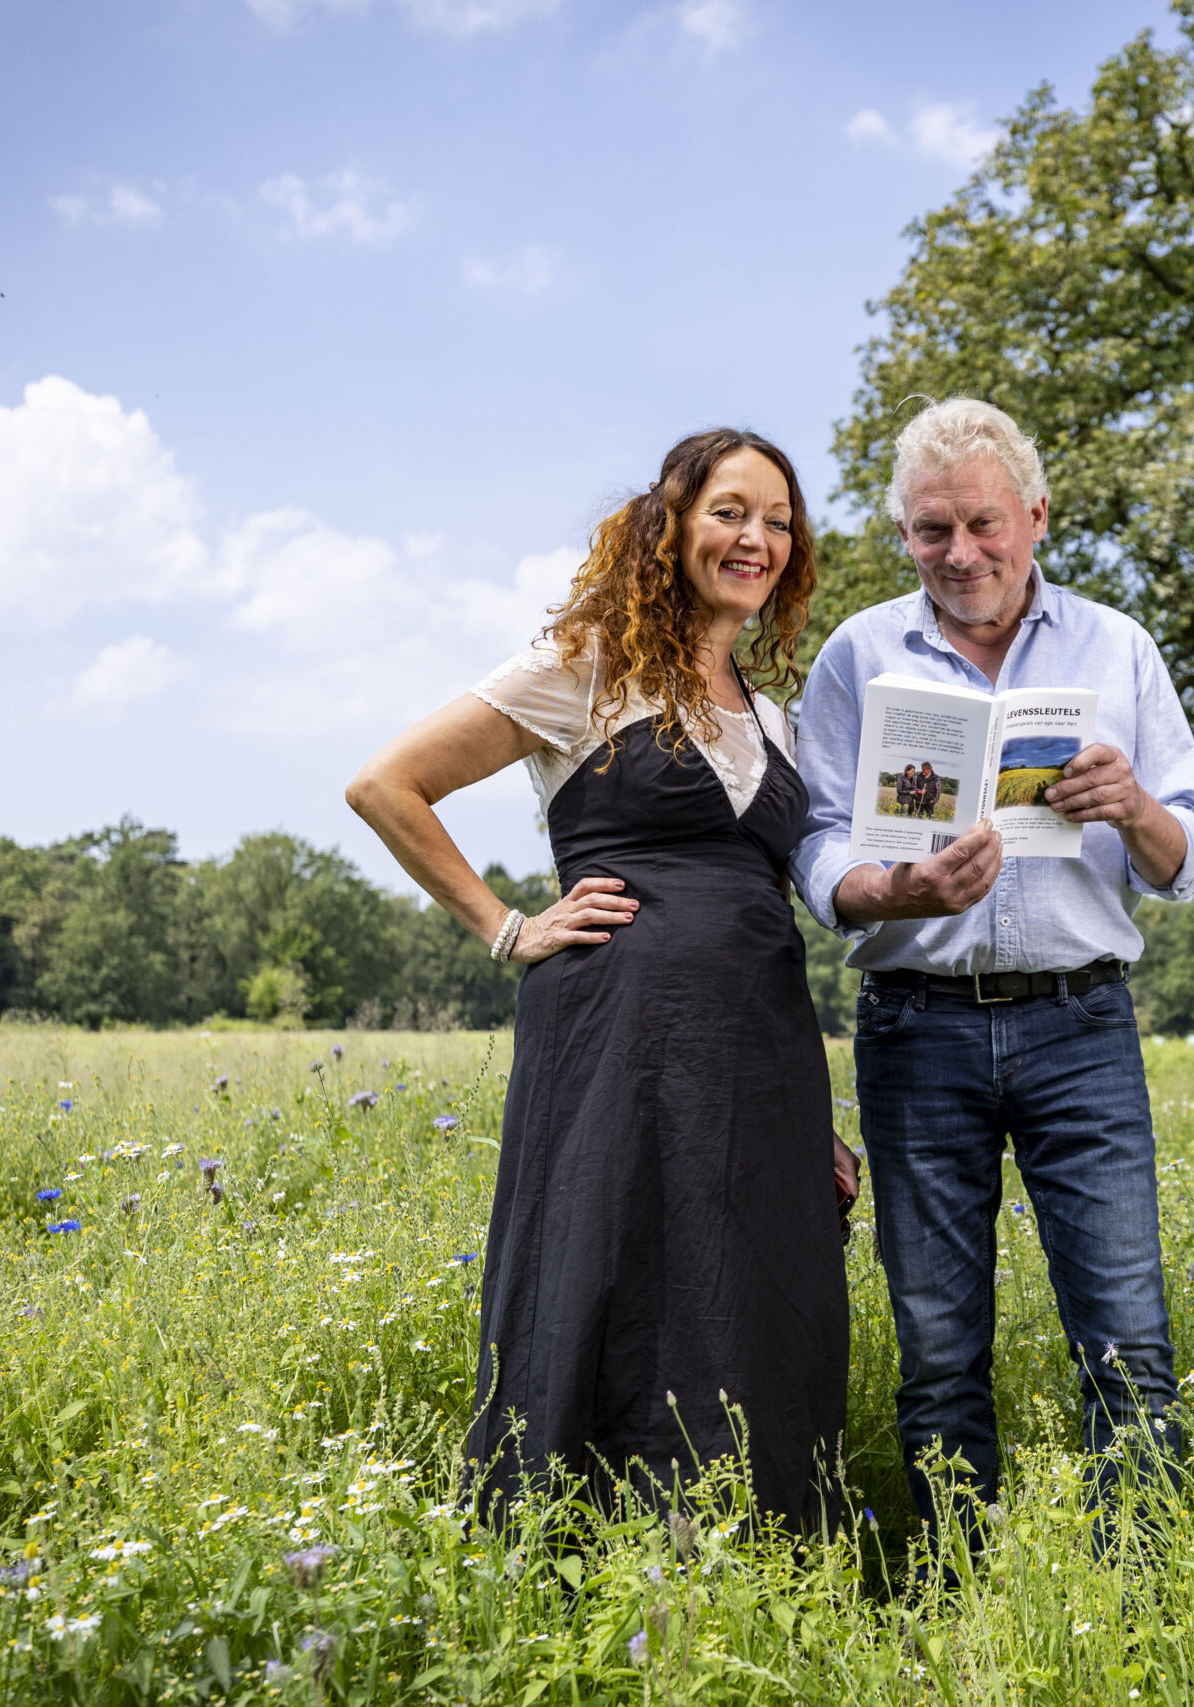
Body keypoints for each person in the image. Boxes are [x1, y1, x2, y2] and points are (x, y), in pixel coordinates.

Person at [347, 428, 857, 1531]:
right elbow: (387, 785)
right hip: (614, 1038)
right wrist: (504, 927)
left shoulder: (777, 718)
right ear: (670, 522)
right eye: (731, 511)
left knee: (757, 1288)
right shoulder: (586, 667)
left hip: (761, 1050)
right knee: (612, 1266)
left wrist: (810, 1116)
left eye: (778, 522)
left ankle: (747, 1548)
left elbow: (766, 911)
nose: (756, 539)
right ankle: (573, 1544)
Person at [793, 397, 1194, 1552]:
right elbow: (816, 841)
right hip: (914, 1026)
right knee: (935, 1345)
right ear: (904, 536)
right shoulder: (858, 655)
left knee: (1126, 1336)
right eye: (932, 532)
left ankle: (1139, 1592)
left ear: (1035, 516)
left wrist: (1131, 808)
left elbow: (1191, 847)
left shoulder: (1116, 647)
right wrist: (890, 892)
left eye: (983, 524)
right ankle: (956, 1590)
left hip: (1078, 1022)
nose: (960, 554)